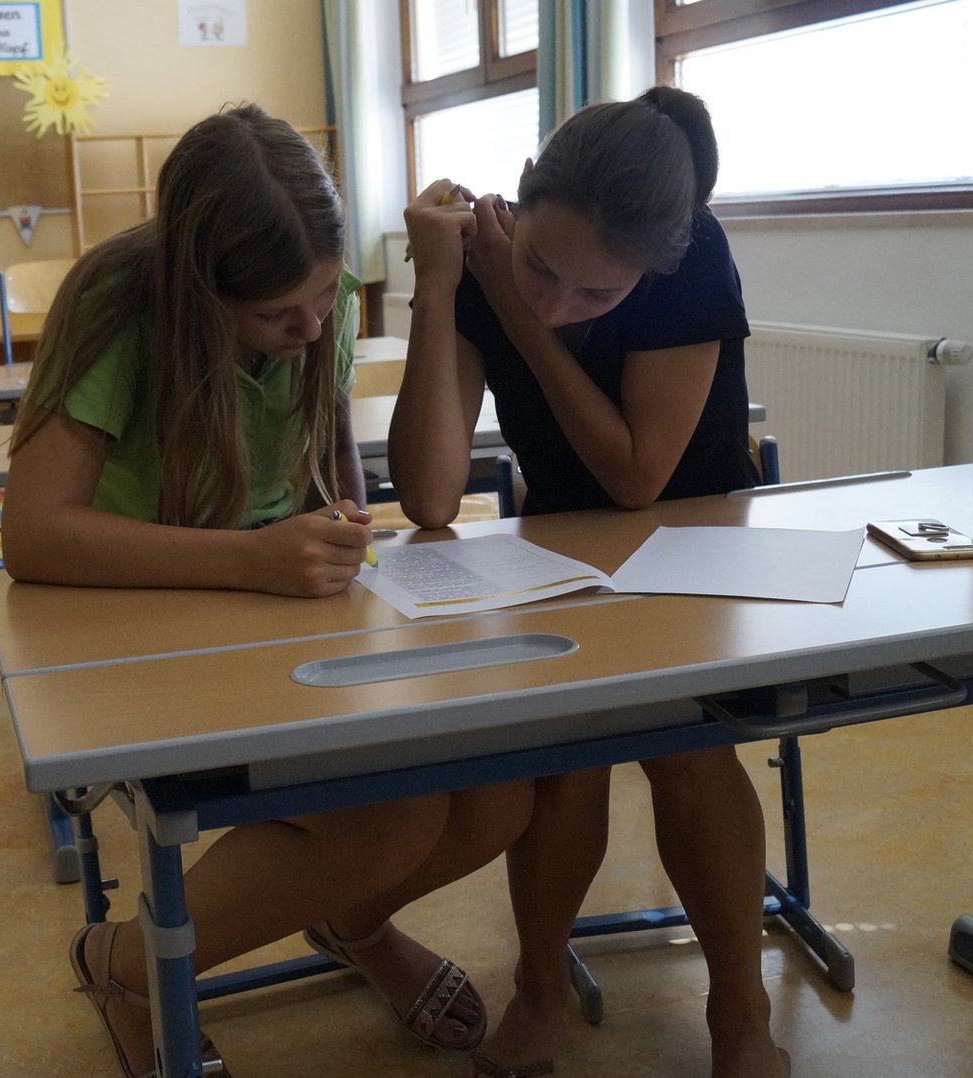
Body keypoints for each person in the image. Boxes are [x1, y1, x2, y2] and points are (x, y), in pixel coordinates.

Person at [2, 103, 534, 1077]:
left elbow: (338, 472)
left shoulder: (316, 312)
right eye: (277, 314)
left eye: (327, 295)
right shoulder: (120, 303)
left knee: (500, 789)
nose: (313, 327)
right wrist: (249, 558)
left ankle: (350, 923)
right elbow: (32, 533)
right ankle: (126, 964)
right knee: (390, 816)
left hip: (277, 617)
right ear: (199, 293)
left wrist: (335, 530)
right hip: (134, 626)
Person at [379, 87, 792, 1077]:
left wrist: (516, 308)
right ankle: (539, 989)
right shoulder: (475, 261)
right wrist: (438, 288)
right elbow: (429, 496)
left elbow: (638, 476)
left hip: (697, 542)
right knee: (565, 764)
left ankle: (739, 1014)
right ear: (520, 197)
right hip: (561, 553)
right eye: (540, 269)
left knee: (686, 752)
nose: (558, 305)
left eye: (596, 297)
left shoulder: (690, 256)